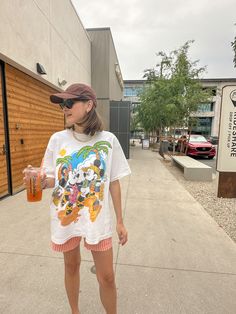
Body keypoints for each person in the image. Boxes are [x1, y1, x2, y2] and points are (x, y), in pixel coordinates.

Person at [23, 83, 131, 314]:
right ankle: (75, 311)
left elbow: (113, 182)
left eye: (70, 103)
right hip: (66, 216)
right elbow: (51, 179)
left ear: (89, 105)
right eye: (63, 104)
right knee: (71, 266)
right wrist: (39, 179)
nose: (64, 108)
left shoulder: (109, 141)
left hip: (96, 219)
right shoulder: (57, 140)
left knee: (108, 277)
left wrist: (120, 221)